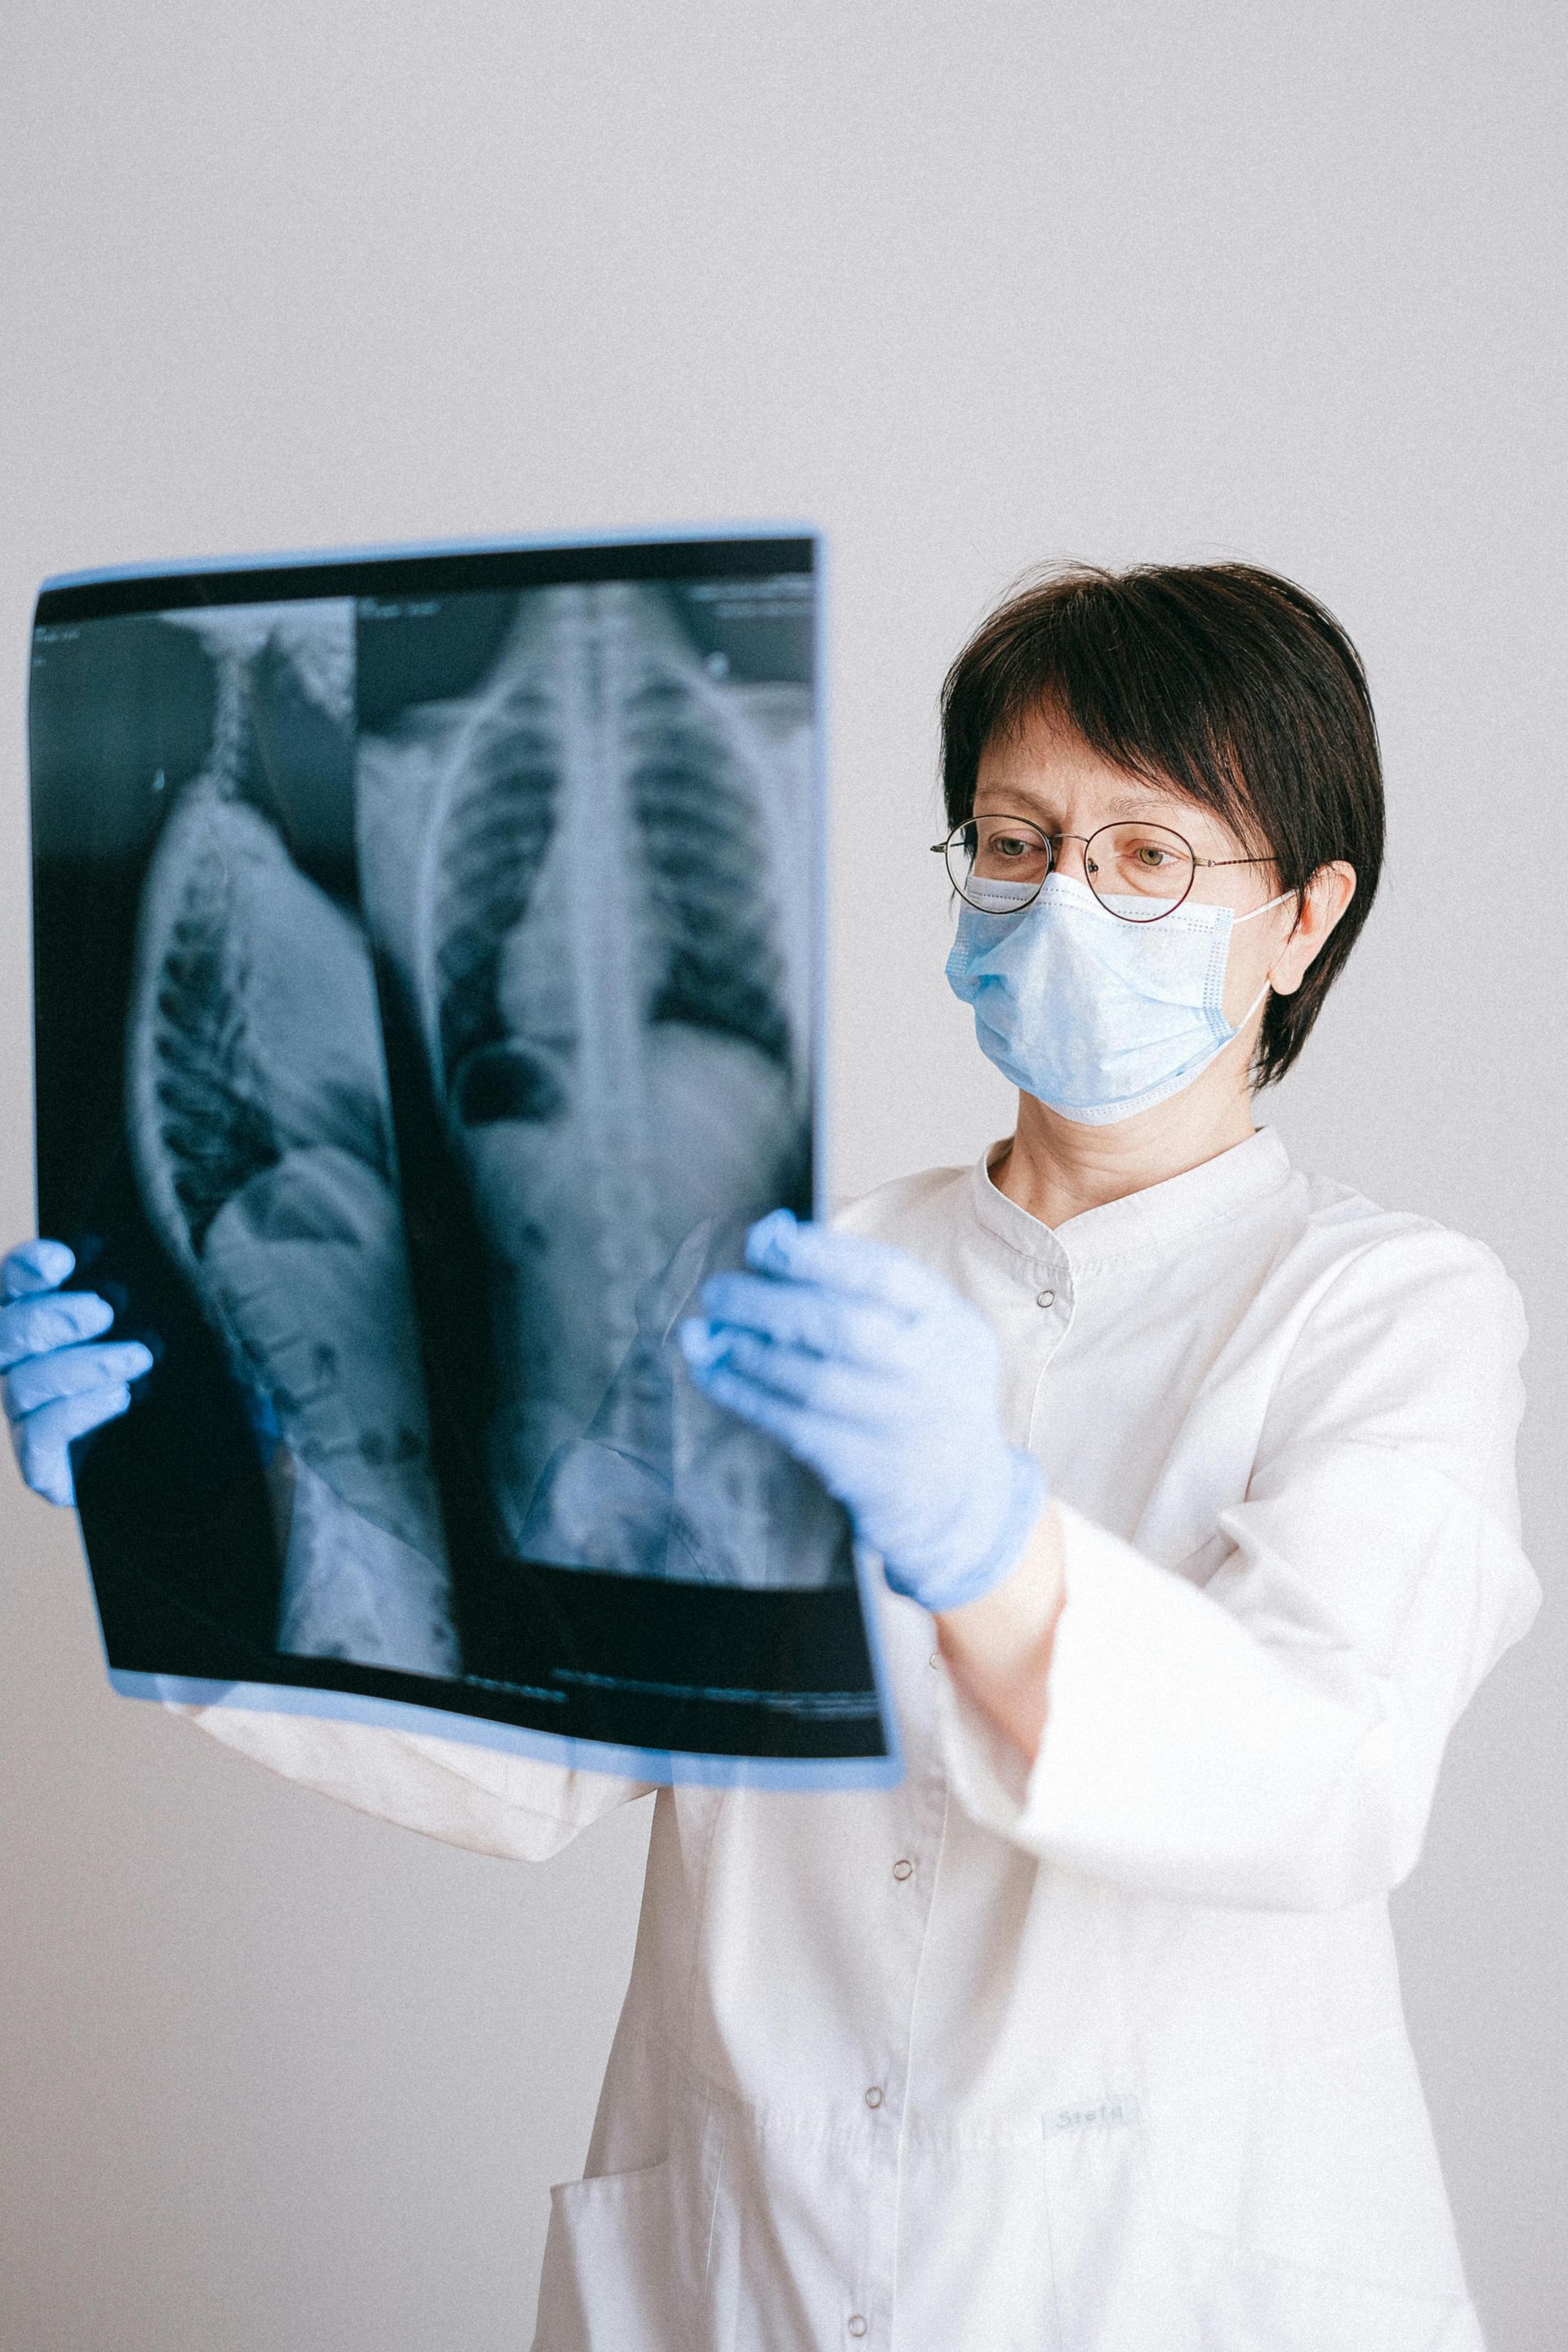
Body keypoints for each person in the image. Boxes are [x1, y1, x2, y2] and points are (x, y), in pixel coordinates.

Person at [2, 562, 1537, 2351]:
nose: (1064, 903)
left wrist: (987, 1543)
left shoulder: (1389, 1309)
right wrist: (184, 1517)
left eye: (1148, 857)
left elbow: (1328, 1778)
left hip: (1169, 2286)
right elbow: (538, 1754)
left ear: (1304, 919)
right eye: (1019, 843)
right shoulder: (781, 1280)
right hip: (751, 2274)